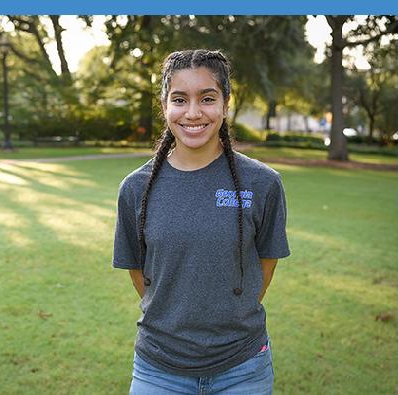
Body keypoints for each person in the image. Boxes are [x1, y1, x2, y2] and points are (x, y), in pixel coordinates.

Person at [112, 49, 290, 394]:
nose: (193, 113)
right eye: (180, 99)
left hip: (244, 367)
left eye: (207, 98)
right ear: (165, 106)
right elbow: (138, 271)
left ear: (225, 104)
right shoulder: (135, 188)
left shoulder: (263, 183)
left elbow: (264, 266)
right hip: (157, 368)